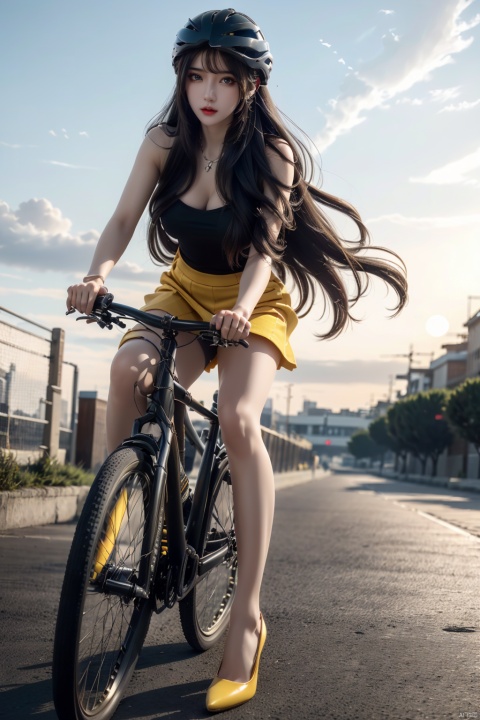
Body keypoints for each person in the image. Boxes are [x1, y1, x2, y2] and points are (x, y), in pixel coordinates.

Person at [66, 9, 407, 713]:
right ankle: (121, 519)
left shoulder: (272, 154)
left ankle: (246, 619)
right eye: (197, 77)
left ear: (251, 83)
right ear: (182, 79)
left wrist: (244, 311)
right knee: (129, 375)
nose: (208, 92)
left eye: (224, 78)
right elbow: (125, 218)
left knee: (238, 421)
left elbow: (265, 249)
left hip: (254, 301)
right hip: (186, 291)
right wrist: (98, 273)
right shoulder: (164, 141)